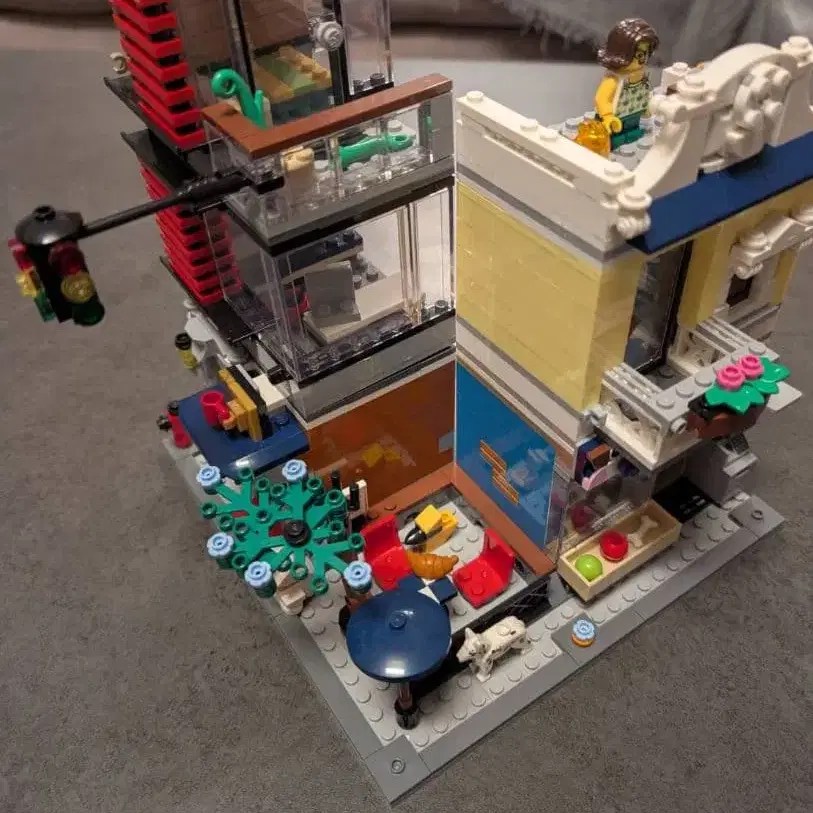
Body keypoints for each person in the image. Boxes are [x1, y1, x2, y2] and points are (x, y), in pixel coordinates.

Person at [594, 18, 660, 151]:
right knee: (615, 136)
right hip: (615, 119)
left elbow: (644, 91)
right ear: (622, 54)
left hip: (634, 114)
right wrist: (607, 116)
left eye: (646, 53)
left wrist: (646, 108)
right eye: (639, 54)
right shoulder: (614, 79)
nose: (644, 59)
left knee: (632, 130)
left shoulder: (641, 74)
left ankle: (630, 134)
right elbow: (601, 98)